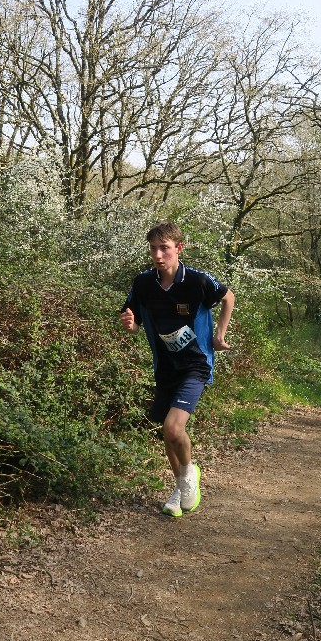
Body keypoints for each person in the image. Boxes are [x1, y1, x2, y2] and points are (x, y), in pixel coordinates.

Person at [120, 221, 234, 517]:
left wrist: (219, 334)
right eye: (153, 249)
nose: (158, 255)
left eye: (164, 248)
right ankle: (181, 486)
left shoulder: (196, 280)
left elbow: (228, 297)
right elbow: (134, 323)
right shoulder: (143, 283)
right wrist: (130, 325)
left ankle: (188, 476)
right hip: (165, 368)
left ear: (179, 248)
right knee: (167, 432)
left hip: (196, 364)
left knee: (173, 427)